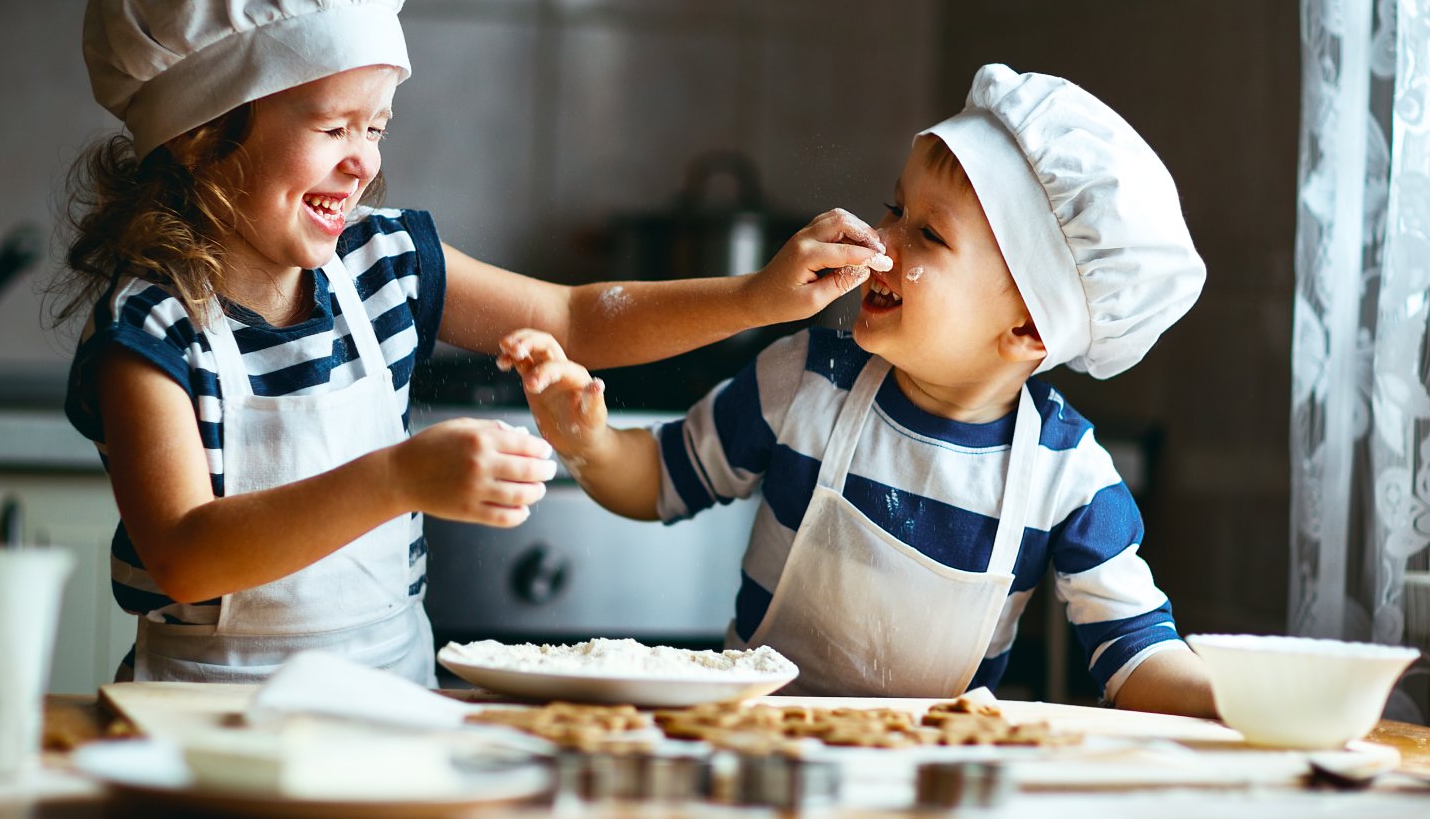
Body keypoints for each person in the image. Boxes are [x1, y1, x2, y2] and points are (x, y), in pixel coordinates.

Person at [53, 0, 892, 686]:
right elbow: (185, 555)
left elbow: (573, 318)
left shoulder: (385, 262)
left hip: (388, 700)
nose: (361, 164)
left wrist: (756, 297)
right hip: (204, 718)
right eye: (333, 126)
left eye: (375, 128)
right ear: (203, 133)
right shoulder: (150, 329)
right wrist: (400, 476)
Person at [501, 63, 1219, 717]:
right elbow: (658, 480)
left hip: (929, 780)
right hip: (753, 753)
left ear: (1029, 327)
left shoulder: (1069, 477)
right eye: (893, 208)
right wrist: (587, 441)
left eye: (928, 236)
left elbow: (1137, 658)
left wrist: (1244, 700)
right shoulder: (805, 379)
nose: (881, 241)